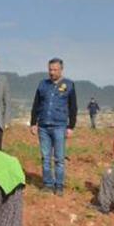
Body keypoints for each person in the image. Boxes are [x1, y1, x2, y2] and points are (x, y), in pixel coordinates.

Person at [29, 58, 77, 196]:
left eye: (55, 69)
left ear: (61, 69)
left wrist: (71, 126)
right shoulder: (42, 85)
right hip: (43, 126)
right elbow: (36, 105)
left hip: (60, 126)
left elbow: (73, 107)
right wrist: (33, 123)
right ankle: (48, 184)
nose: (52, 72)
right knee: (45, 157)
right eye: (50, 69)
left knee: (59, 158)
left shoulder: (69, 85)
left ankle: (59, 185)